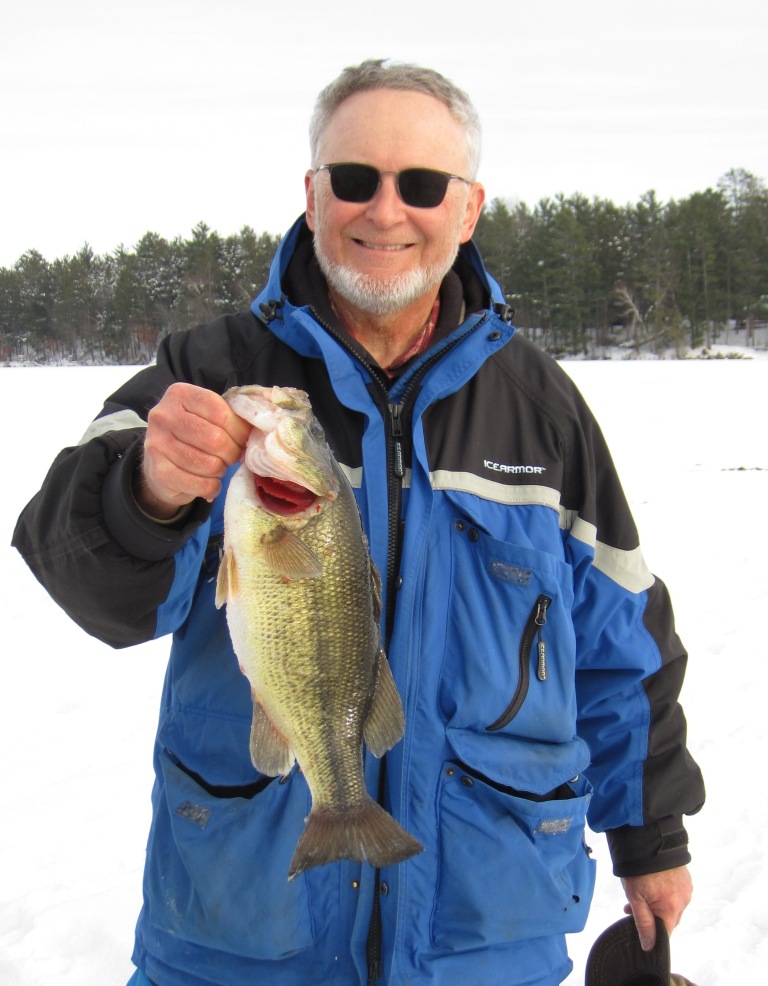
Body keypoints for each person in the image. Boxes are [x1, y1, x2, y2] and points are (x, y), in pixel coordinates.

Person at [12, 59, 704, 986]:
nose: (385, 212)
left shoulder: (543, 410)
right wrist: (150, 493)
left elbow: (622, 637)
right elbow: (81, 571)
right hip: (238, 936)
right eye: (354, 179)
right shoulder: (208, 373)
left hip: (485, 939)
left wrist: (650, 831)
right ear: (311, 193)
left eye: (421, 185)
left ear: (468, 210)